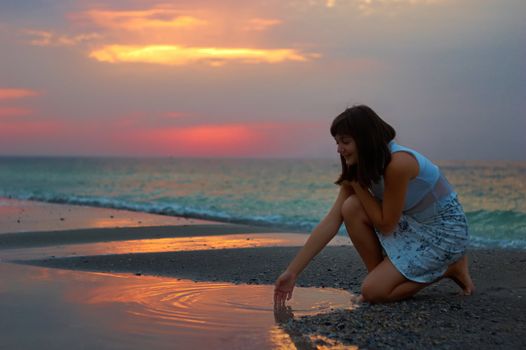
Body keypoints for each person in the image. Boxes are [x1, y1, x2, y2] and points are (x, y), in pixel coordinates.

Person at [274, 105, 475, 306]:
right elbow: (332, 221)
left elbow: (386, 225)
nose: (339, 149)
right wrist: (292, 272)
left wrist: (357, 185)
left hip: (445, 232)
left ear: (365, 140)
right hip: (414, 224)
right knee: (351, 207)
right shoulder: (363, 167)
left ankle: (450, 268)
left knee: (373, 292)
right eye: (337, 142)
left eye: (345, 141)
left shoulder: (398, 163)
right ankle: (380, 278)